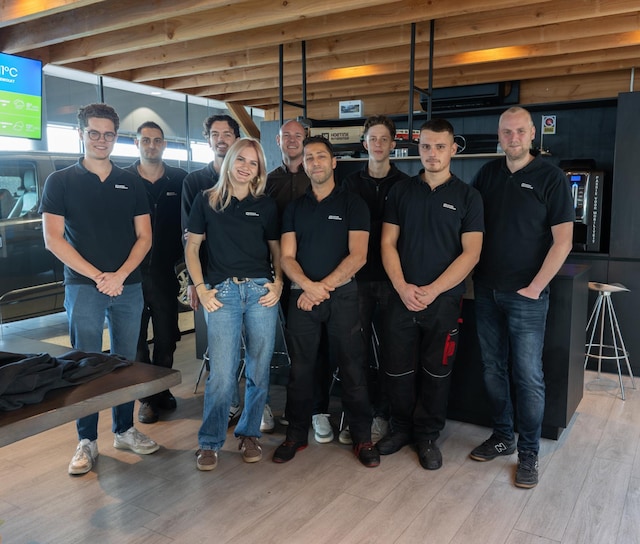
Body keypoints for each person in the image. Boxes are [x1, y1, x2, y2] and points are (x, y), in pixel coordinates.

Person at [39, 103, 158, 475]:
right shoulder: (60, 181)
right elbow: (53, 239)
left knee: (125, 361)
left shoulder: (131, 181)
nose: (101, 140)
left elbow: (145, 236)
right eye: (94, 132)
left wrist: (119, 275)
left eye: (108, 134)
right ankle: (86, 440)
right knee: (85, 364)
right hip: (83, 287)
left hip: (128, 286)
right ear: (81, 133)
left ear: (116, 136)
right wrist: (99, 277)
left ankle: (124, 429)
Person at [469, 106, 574, 488]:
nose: (512, 138)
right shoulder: (486, 174)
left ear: (532, 134)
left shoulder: (551, 177)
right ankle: (503, 437)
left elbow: (563, 242)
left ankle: (529, 453)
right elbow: (471, 228)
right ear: (499, 136)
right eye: (506, 132)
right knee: (492, 369)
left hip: (527, 296)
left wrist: (535, 287)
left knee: (528, 376)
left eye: (519, 131)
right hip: (486, 290)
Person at [379, 118, 484, 470]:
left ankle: (426, 436)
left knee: (437, 373)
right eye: (426, 146)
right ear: (418, 149)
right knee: (397, 370)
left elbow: (471, 253)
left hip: (444, 302)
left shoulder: (468, 197)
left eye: (440, 146)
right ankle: (400, 428)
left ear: (453, 149)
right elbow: (387, 243)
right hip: (400, 298)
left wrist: (434, 290)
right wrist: (402, 287)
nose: (432, 153)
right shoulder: (400, 191)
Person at [272, 135, 379, 468]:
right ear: (303, 165)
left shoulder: (353, 204)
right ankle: (296, 434)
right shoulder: (294, 208)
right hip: (301, 297)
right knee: (300, 370)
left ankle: (362, 437)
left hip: (342, 296)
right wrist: (308, 287)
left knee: (352, 367)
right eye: (309, 158)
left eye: (321, 156)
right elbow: (286, 257)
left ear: (334, 162)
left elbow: (358, 256)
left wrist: (322, 288)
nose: (315, 162)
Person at [185, 138, 282, 471]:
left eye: (253, 163)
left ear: (259, 170)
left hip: (260, 293)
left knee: (258, 369)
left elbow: (276, 249)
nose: (245, 167)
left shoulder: (266, 205)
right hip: (222, 294)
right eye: (241, 159)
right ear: (229, 161)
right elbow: (192, 248)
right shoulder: (206, 200)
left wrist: (279, 282)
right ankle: (209, 441)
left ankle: (249, 433)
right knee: (223, 375)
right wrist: (201, 288)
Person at [341, 114, 410, 445]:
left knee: (392, 353)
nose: (378, 144)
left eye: (384, 139)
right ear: (364, 143)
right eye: (373, 139)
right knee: (356, 353)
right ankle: (358, 417)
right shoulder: (349, 184)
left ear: (393, 144)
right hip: (357, 281)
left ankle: (383, 415)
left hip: (394, 282)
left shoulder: (406, 185)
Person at [266, 119, 332, 442]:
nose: (292, 140)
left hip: (321, 280)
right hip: (280, 277)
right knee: (294, 348)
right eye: (286, 135)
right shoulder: (267, 181)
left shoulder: (319, 177)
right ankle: (293, 413)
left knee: (321, 350)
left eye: (298, 135)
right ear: (278, 140)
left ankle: (319, 411)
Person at [180, 114, 244, 423]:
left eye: (227, 133)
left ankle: (254, 404)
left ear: (236, 139)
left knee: (250, 345)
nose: (221, 139)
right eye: (215, 134)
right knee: (221, 348)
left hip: (248, 278)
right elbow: (189, 238)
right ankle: (229, 403)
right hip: (210, 280)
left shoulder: (247, 177)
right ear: (208, 140)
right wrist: (195, 282)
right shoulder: (194, 182)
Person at [125, 121, 187, 424]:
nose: (152, 145)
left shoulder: (180, 179)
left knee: (167, 336)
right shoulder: (122, 179)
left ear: (164, 144)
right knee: (136, 339)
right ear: (136, 143)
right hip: (131, 272)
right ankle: (146, 398)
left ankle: (162, 389)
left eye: (157, 140)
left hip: (166, 271)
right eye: (146, 140)